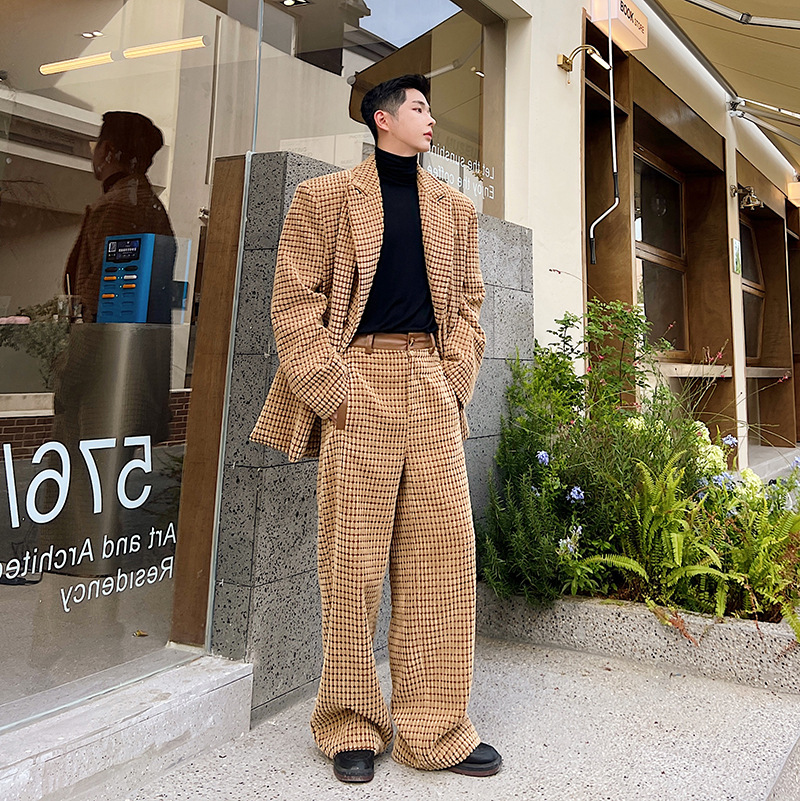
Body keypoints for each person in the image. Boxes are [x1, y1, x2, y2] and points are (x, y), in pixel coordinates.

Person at [250, 74, 501, 783]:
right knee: (351, 566)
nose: (430, 118)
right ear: (382, 119)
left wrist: (454, 379)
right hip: (357, 378)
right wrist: (333, 390)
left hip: (430, 382)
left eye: (430, 108)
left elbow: (471, 305)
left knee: (443, 559)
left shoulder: (454, 208)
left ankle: (434, 730)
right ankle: (350, 723)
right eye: (418, 107)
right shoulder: (323, 198)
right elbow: (293, 301)